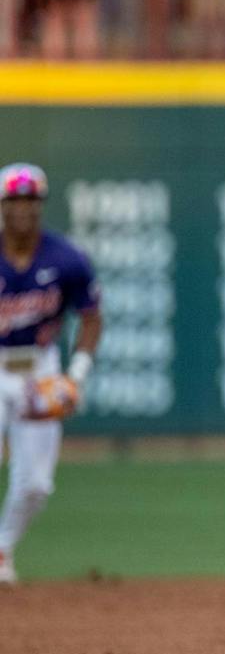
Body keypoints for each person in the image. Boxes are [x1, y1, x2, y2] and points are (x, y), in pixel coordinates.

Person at [0, 164, 103, 585]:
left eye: (31, 200)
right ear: (3, 206)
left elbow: (92, 317)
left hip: (40, 371)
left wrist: (76, 374)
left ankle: (2, 549)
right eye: (15, 200)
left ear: (40, 205)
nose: (23, 209)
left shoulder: (66, 258)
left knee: (36, 485)